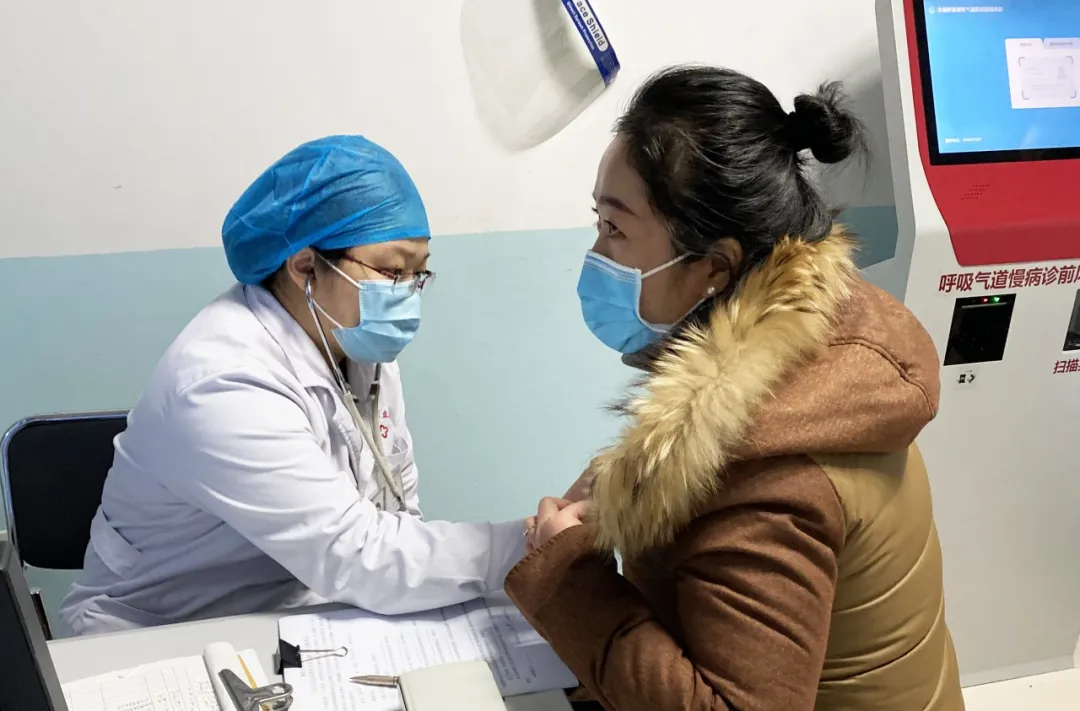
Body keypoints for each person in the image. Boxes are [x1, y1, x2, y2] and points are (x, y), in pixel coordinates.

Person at [509, 67, 965, 711]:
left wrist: (568, 575)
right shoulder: (825, 343)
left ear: (714, 268)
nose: (597, 254)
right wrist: (629, 482)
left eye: (615, 229)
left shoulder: (765, 474)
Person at [61, 135, 527, 635]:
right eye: (394, 271)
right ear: (305, 266)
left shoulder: (353, 344)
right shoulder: (222, 384)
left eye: (419, 273)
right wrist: (529, 542)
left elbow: (396, 507)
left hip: (300, 610)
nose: (409, 295)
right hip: (160, 630)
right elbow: (354, 554)